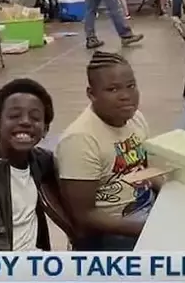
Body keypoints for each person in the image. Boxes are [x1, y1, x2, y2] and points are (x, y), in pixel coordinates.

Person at [55, 52, 156, 251]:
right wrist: (149, 228)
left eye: (131, 86)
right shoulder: (80, 140)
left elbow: (144, 169)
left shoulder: (135, 119)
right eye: (112, 89)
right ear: (91, 94)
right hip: (114, 234)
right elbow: (85, 215)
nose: (126, 95)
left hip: (147, 209)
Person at [0, 78, 76, 251]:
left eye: (35, 117)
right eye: (14, 116)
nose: (26, 122)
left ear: (45, 130)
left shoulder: (41, 161)